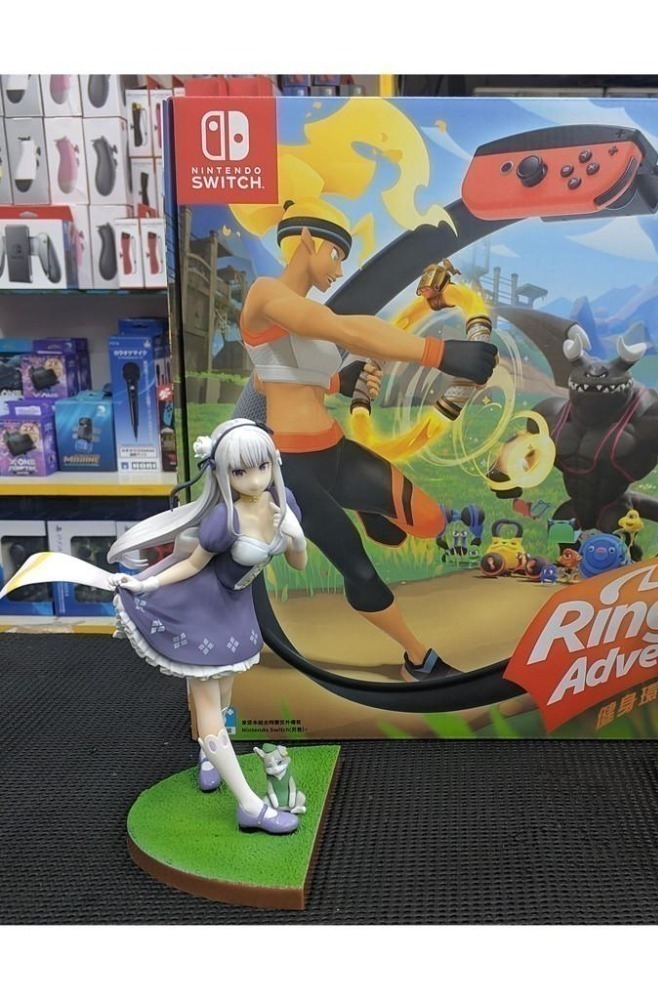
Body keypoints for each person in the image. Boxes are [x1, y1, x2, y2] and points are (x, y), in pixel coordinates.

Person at [2, 419, 310, 835]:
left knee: (224, 692)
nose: (254, 480)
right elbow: (193, 565)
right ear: (222, 472)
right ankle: (250, 805)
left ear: (274, 462)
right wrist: (147, 583)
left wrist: (297, 539)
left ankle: (210, 753)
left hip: (236, 610)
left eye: (262, 467)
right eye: (240, 471)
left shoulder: (284, 501)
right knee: (208, 702)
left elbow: (298, 563)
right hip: (198, 610)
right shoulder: (224, 519)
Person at [237, 197, 497, 682]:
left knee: (429, 521)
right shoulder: (266, 295)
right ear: (308, 240)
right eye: (336, 254)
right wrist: (438, 353)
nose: (339, 270)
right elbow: (345, 329)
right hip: (292, 468)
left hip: (335, 450)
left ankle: (364, 505)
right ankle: (418, 659)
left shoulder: (301, 315)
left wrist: (342, 380)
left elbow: (275, 378)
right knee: (357, 566)